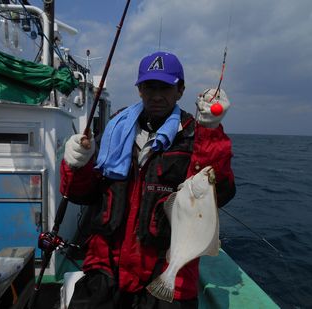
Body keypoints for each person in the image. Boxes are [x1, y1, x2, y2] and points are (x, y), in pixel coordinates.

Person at [59, 51, 235, 309]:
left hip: (166, 271)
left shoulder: (194, 136)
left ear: (180, 90)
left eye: (165, 87)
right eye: (149, 87)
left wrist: (210, 131)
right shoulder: (116, 128)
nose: (156, 95)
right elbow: (81, 193)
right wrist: (77, 165)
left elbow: (219, 191)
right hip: (107, 267)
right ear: (139, 89)